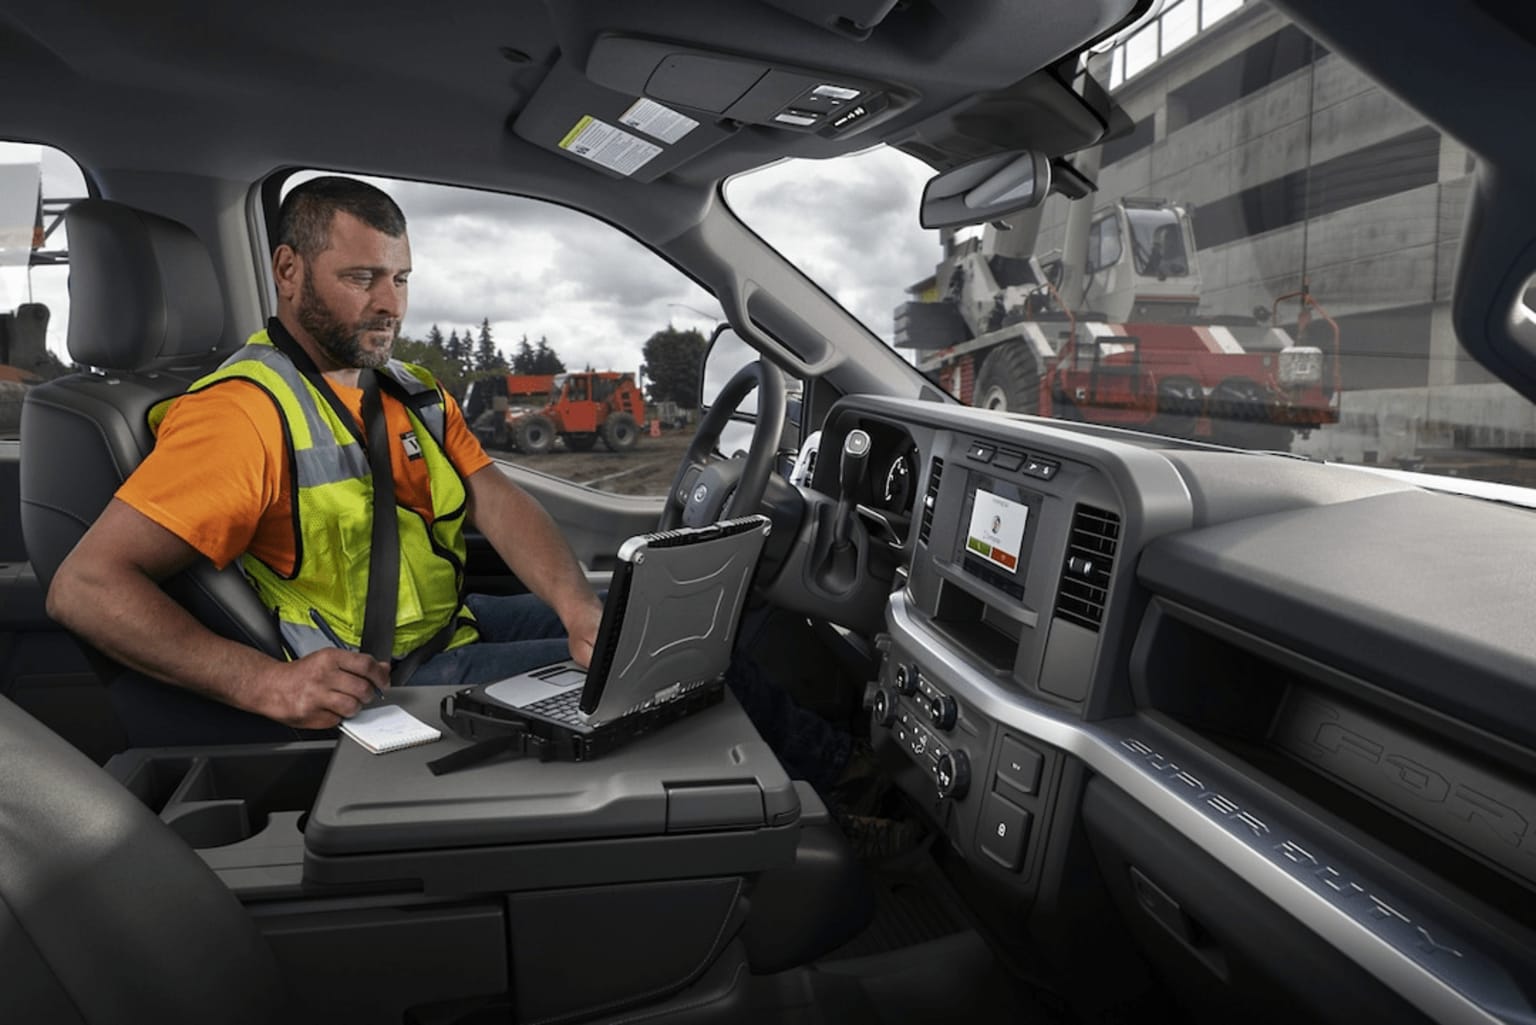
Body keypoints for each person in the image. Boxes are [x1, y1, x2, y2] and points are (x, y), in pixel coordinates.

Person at [48, 177, 604, 740]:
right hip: (390, 686)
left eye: (400, 278)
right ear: (288, 271)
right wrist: (264, 683)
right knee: (630, 678)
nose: (390, 304)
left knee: (634, 631)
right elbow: (86, 587)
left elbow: (498, 501)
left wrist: (576, 604)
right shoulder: (242, 413)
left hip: (451, 626)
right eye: (362, 278)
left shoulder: (414, 393)